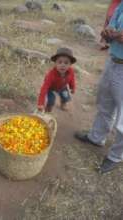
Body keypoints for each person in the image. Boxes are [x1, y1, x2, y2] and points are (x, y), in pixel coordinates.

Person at [75, 1, 123, 174]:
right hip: (113, 60)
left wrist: (117, 35)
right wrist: (107, 32)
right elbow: (110, 28)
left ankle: (116, 156)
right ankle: (97, 137)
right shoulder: (121, 4)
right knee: (105, 102)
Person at [37, 47, 76, 112]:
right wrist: (40, 103)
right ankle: (48, 109)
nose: (62, 65)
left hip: (63, 87)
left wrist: (72, 87)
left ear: (70, 65)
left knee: (65, 96)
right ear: (55, 63)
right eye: (59, 62)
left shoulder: (70, 71)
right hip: (51, 88)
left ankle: (63, 104)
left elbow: (72, 79)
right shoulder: (51, 75)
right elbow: (44, 88)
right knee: (51, 100)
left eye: (66, 63)